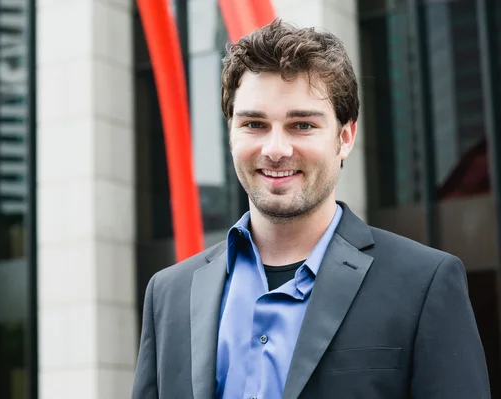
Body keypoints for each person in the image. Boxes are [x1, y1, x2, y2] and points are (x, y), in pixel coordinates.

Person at [131, 19, 490, 399]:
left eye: (301, 125)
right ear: (232, 133)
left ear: (345, 137)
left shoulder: (425, 283)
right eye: (254, 123)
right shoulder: (169, 294)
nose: (275, 149)